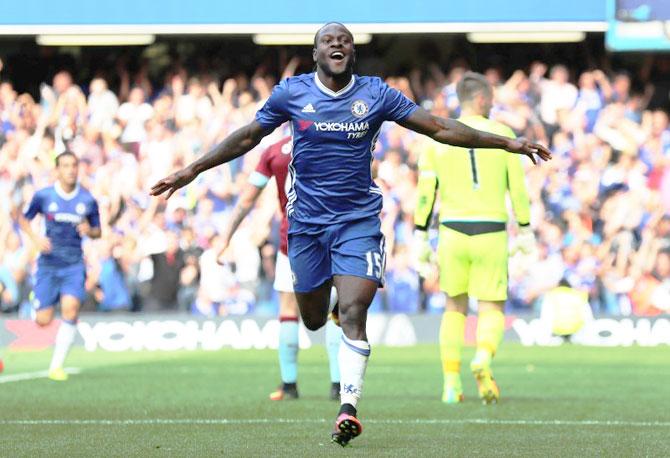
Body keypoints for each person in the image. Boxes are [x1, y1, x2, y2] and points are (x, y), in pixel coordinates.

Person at [150, 23, 551, 446]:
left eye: (345, 41)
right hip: (305, 226)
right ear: (316, 54)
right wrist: (192, 169)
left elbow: (438, 127)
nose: (337, 44)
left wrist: (506, 143)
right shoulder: (292, 93)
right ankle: (335, 306)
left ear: (352, 54)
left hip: (357, 221)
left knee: (356, 313)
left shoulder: (376, 94)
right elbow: (249, 136)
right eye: (328, 41)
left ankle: (348, 408)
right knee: (312, 317)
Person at [414, 72, 537, 404]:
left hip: (452, 231)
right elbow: (518, 190)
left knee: (454, 307)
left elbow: (427, 192)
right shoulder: (504, 134)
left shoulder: (437, 137)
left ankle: (451, 383)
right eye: (493, 97)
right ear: (482, 99)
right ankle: (482, 357)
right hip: (491, 232)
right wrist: (525, 230)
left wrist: (419, 236)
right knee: (491, 307)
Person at [217, 136, 342, 401]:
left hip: (293, 240)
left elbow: (248, 199)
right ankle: (338, 384)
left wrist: (226, 237)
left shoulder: (274, 151)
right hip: (332, 237)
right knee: (336, 309)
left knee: (288, 309)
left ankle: (289, 385)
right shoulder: (331, 140)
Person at [18, 151, 101, 381]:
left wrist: (89, 230)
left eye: (74, 165)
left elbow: (98, 231)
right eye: (65, 166)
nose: (71, 170)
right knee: (43, 320)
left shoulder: (87, 200)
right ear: (57, 170)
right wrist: (36, 239)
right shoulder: (44, 196)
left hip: (74, 264)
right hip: (48, 265)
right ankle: (40, 298)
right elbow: (24, 219)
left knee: (70, 309)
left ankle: (56, 367)